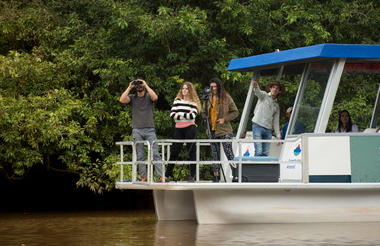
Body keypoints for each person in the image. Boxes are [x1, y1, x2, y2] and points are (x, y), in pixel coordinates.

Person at [119, 78, 165, 182]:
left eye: (140, 85)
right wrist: (130, 87)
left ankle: (161, 176)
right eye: (137, 85)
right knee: (140, 155)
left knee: (155, 153)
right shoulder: (132, 97)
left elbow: (155, 97)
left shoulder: (148, 96)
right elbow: (122, 100)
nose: (139, 86)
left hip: (150, 129)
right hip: (137, 130)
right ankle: (144, 177)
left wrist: (145, 85)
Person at [204, 77, 239, 182]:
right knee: (215, 154)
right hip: (212, 130)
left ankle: (236, 175)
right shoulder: (208, 98)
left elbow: (235, 112)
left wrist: (225, 119)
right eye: (212, 87)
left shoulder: (226, 97)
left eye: (215, 86)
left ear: (219, 87)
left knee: (229, 152)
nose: (213, 88)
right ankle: (216, 176)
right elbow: (204, 114)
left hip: (225, 130)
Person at [166, 82, 201, 182]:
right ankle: (167, 175)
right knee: (174, 152)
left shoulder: (193, 103)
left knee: (191, 152)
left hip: (190, 128)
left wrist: (179, 114)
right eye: (183, 89)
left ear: (190, 91)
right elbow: (172, 115)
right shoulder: (177, 101)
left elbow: (192, 116)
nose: (184, 90)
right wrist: (185, 114)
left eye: (186, 89)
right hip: (178, 129)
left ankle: (192, 176)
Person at [252, 80, 285, 156]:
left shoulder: (276, 105)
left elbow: (276, 122)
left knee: (265, 153)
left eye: (277, 88)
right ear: (270, 88)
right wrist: (256, 87)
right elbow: (258, 93)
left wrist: (278, 136)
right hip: (257, 125)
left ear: (279, 91)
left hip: (268, 130)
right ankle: (255, 167)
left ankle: (262, 168)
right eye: (273, 87)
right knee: (259, 151)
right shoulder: (264, 95)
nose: (275, 89)